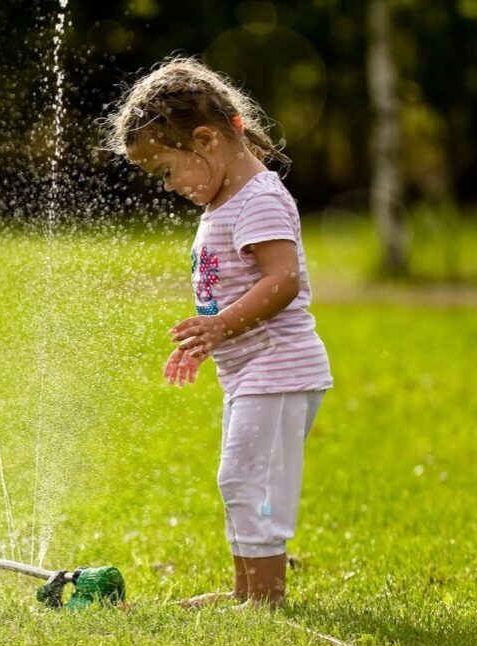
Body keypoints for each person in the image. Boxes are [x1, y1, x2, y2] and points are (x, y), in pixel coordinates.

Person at [103, 57, 333, 609]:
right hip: (254, 371)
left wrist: (220, 326)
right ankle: (246, 592)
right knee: (240, 482)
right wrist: (212, 341)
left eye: (165, 170)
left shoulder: (259, 199)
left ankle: (265, 599)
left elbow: (282, 280)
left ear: (205, 139)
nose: (168, 186)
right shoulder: (225, 201)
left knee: (252, 483)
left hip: (281, 369)